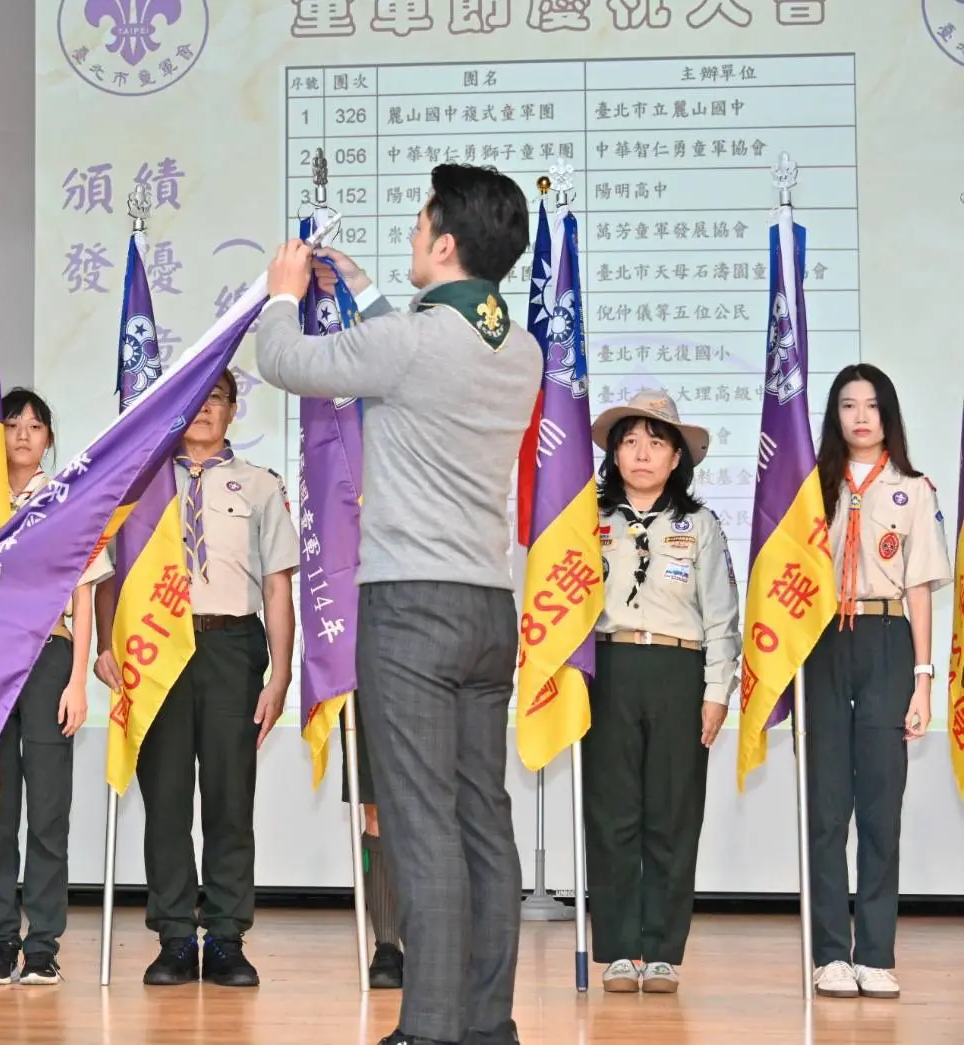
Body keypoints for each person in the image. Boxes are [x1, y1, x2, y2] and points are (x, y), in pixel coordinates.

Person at [256, 164, 542, 1045]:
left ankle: (429, 1028)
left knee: (418, 823)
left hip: (411, 610)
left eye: (420, 225)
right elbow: (416, 348)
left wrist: (281, 294)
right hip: (488, 610)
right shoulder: (520, 347)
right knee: (480, 820)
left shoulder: (411, 344)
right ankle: (487, 1024)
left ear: (446, 241)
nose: (413, 233)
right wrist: (371, 292)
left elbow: (281, 359)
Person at [94, 369, 299, 988]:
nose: (207, 409)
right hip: (157, 648)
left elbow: (277, 583)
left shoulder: (261, 485)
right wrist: (106, 645)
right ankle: (176, 937)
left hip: (230, 646)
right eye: (199, 398)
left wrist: (282, 672)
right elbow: (111, 572)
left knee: (231, 798)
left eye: (219, 398)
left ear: (235, 411)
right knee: (165, 798)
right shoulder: (142, 485)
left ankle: (228, 937)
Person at [584, 391, 741, 994]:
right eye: (630, 441)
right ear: (614, 454)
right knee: (613, 813)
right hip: (610, 669)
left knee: (673, 814)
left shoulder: (700, 525)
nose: (641, 453)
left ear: (678, 457)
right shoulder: (587, 520)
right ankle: (621, 949)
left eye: (655, 442)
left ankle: (663, 950)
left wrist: (717, 689)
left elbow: (722, 615)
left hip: (679, 672)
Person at [806, 364, 951, 1001]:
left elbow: (919, 589)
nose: (860, 417)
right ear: (834, 416)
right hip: (823, 642)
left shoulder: (913, 490)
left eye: (872, 405)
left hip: (889, 640)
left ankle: (877, 954)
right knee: (828, 805)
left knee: (881, 807)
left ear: (889, 415)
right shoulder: (810, 489)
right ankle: (831, 954)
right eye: (847, 405)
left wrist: (923, 681)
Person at [0, 389, 110, 986]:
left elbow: (83, 594)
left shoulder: (65, 501)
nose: (25, 434)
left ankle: (43, 944)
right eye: (13, 423)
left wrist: (78, 680)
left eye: (36, 426)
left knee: (49, 810)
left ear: (51, 439)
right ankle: (0, 939)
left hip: (51, 656)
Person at [339, 694, 403, 989]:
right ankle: (388, 947)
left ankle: (433, 944)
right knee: (376, 807)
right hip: (367, 668)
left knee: (440, 805)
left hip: (439, 664)